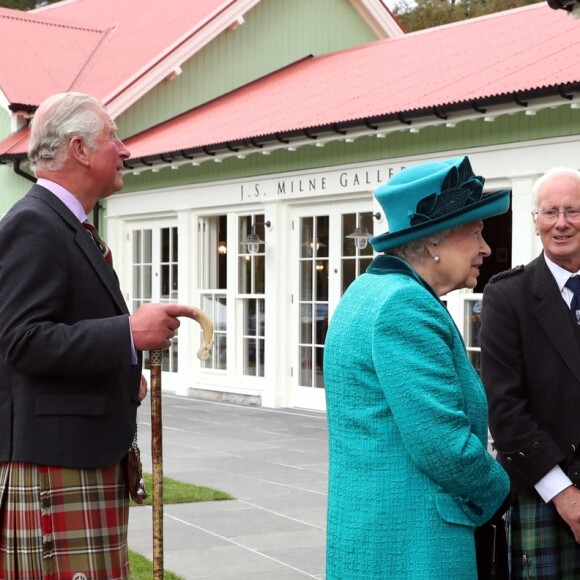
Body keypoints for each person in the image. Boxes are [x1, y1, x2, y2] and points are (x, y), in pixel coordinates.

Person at [0, 92, 196, 579]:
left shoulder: (66, 225)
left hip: (74, 460)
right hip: (54, 464)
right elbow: (22, 341)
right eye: (114, 136)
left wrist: (121, 376)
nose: (125, 149)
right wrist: (129, 333)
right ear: (79, 149)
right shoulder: (34, 224)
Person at [324, 156, 511, 579]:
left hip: (377, 536)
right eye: (476, 232)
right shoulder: (403, 305)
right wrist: (501, 491)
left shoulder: (369, 290)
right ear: (434, 242)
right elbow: (442, 446)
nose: (485, 247)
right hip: (413, 545)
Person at [480, 167, 580, 578]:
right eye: (550, 212)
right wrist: (565, 495)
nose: (561, 223)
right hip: (546, 491)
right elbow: (505, 412)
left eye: (573, 210)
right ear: (534, 221)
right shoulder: (507, 295)